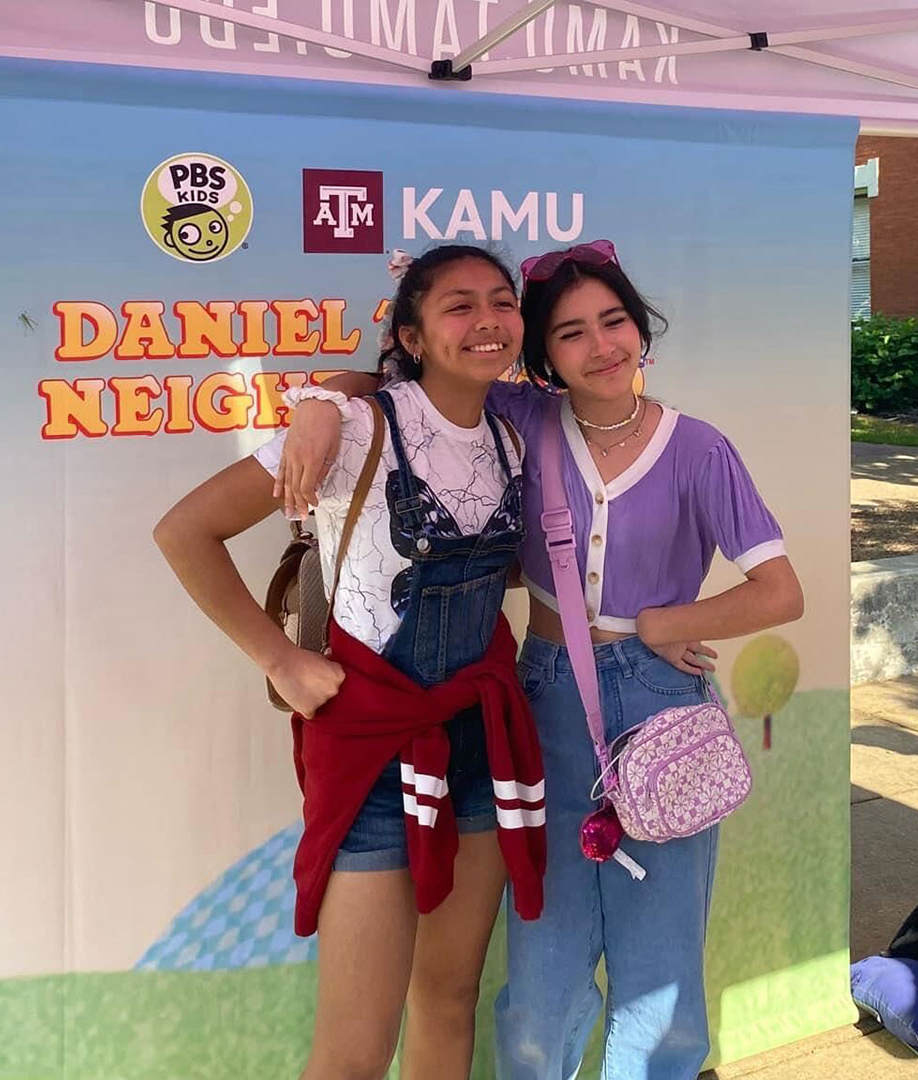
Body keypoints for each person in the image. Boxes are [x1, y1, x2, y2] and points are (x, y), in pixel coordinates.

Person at [277, 239, 804, 1079]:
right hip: (542, 701)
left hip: (666, 706)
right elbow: (390, 387)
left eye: (615, 322)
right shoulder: (519, 419)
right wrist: (315, 400)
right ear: (543, 356)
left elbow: (778, 591)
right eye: (571, 333)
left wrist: (669, 622)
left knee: (661, 968)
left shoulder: (699, 446)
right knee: (544, 965)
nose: (601, 347)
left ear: (643, 331)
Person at [154, 244, 547, 1080]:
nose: (486, 320)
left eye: (501, 301)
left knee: (448, 997)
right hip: (370, 753)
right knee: (354, 1048)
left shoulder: (515, 436)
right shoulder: (361, 426)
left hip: (476, 745)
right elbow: (184, 532)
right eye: (458, 304)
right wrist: (281, 663)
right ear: (411, 332)